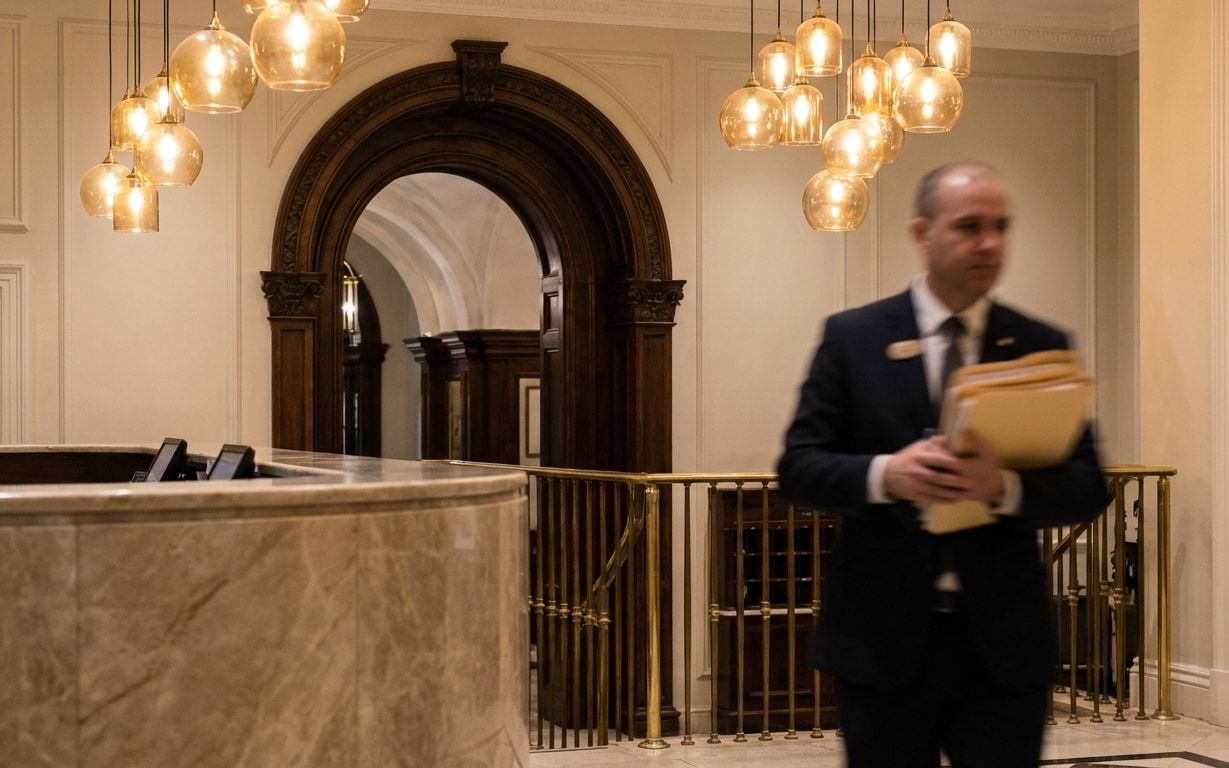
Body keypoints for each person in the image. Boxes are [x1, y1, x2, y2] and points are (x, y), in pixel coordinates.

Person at [776, 161, 1107, 768]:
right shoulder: (853, 338)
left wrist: (1003, 487)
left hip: (1002, 650)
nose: (990, 243)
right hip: (881, 645)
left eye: (1002, 227)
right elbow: (798, 468)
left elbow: (1088, 486)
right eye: (970, 226)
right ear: (922, 234)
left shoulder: (1043, 344)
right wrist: (885, 475)